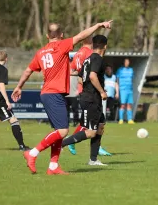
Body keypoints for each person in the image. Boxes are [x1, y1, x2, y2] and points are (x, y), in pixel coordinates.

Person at [12, 20, 112, 175]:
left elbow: (27, 71)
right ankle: (32, 153)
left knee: (58, 131)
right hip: (54, 94)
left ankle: (53, 166)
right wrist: (99, 25)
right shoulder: (62, 45)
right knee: (63, 130)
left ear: (47, 36)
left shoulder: (40, 52)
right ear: (61, 35)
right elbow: (82, 35)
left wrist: (19, 87)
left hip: (49, 93)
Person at [61, 35, 109, 166]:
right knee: (91, 132)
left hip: (91, 97)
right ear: (105, 46)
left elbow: (81, 78)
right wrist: (101, 91)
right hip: (91, 99)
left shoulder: (87, 59)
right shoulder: (97, 58)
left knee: (100, 126)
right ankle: (61, 143)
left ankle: (93, 160)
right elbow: (92, 76)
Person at [116, 58, 135, 124]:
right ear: (124, 63)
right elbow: (117, 80)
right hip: (122, 89)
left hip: (129, 90)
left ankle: (129, 119)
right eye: (126, 62)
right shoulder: (120, 70)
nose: (127, 63)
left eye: (128, 62)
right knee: (123, 104)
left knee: (129, 105)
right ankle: (121, 119)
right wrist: (117, 90)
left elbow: (132, 79)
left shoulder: (131, 70)